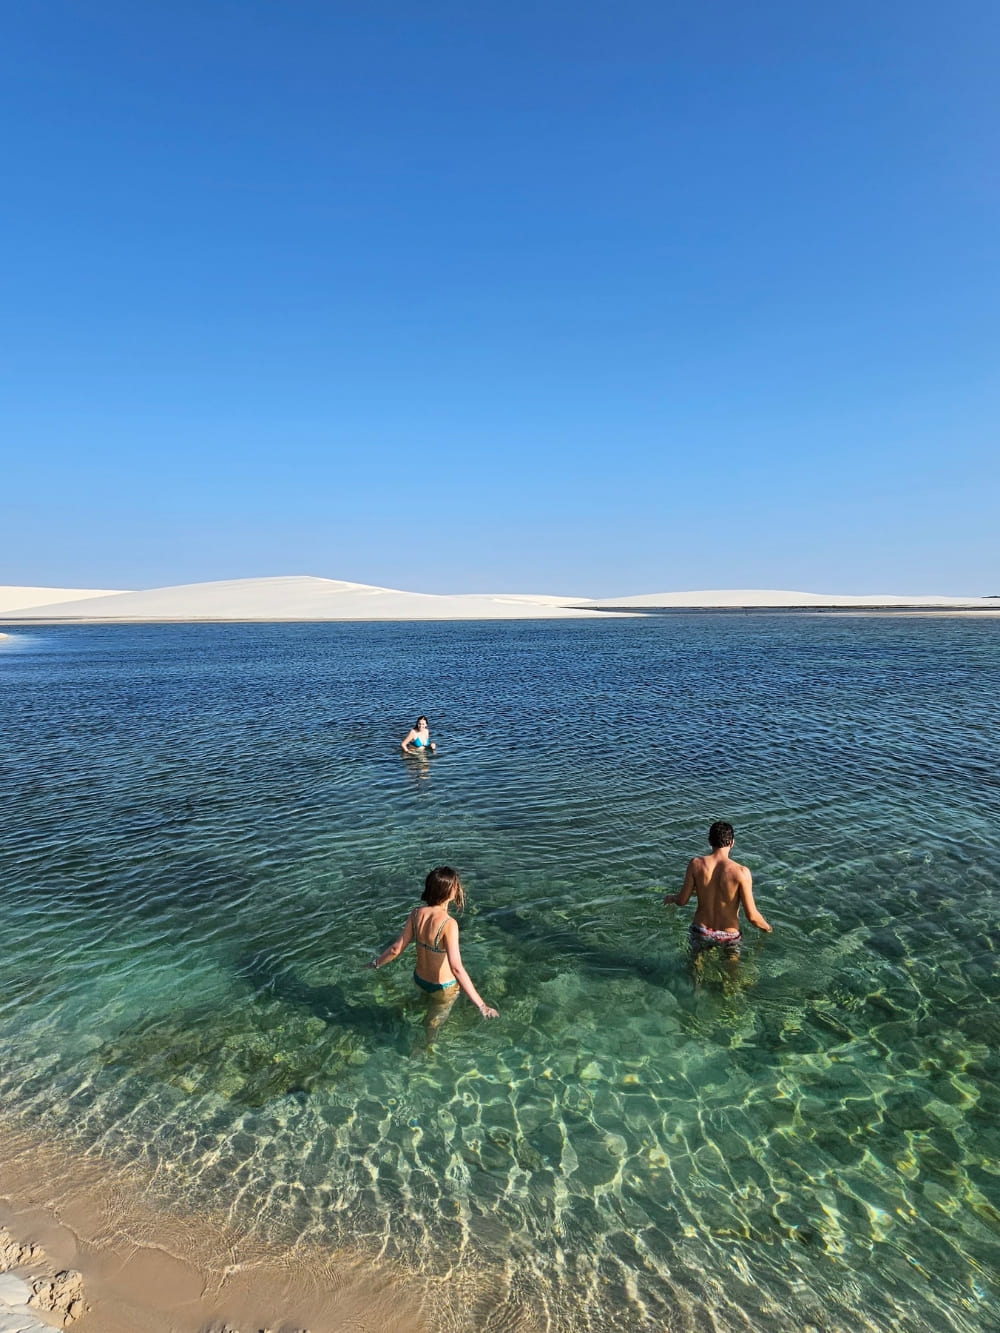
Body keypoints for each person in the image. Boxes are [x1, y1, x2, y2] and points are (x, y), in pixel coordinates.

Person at [367, 867, 499, 1027]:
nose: (459, 888)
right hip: (443, 988)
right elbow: (456, 968)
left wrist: (375, 963)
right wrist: (481, 1005)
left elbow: (396, 949)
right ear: (447, 891)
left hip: (419, 980)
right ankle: (425, 1048)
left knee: (419, 1005)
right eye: (456, 886)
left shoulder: (416, 914)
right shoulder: (449, 924)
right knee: (432, 1024)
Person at [663, 821, 772, 958]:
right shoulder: (741, 872)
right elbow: (752, 916)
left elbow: (682, 900)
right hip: (729, 935)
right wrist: (768, 928)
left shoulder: (696, 864)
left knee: (696, 974)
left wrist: (671, 898)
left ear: (709, 841)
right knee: (732, 977)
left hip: (701, 930)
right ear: (732, 843)